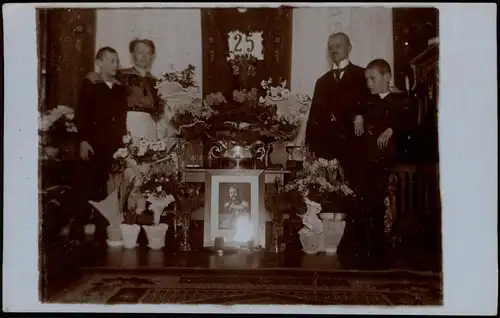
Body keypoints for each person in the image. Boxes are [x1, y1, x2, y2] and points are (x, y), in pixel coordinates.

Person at [355, 58, 418, 263]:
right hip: (368, 164)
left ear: (387, 77)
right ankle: (370, 249)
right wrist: (358, 116)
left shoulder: (401, 100)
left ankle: (387, 248)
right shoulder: (365, 102)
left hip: (391, 165)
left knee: (388, 207)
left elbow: (409, 120)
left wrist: (392, 129)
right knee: (367, 207)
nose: (369, 83)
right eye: (367, 79)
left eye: (373, 78)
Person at [72, 46, 128, 241]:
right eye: (111, 60)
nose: (115, 65)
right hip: (93, 143)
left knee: (107, 188)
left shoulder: (120, 88)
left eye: (117, 61)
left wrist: (122, 143)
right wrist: (84, 141)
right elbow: (82, 114)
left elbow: (121, 118)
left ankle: (103, 230)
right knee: (87, 184)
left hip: (112, 146)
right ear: (100, 63)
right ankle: (78, 230)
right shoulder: (91, 83)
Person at [304, 32, 370, 192]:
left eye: (338, 45)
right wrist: (309, 150)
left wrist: (362, 115)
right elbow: (313, 118)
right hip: (326, 151)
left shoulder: (363, 75)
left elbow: (373, 106)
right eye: (330, 47)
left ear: (349, 48)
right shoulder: (321, 81)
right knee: (326, 196)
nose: (334, 50)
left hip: (353, 149)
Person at [116, 38, 163, 140]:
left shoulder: (157, 82)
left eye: (148, 53)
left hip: (149, 124)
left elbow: (159, 108)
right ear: (132, 55)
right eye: (140, 52)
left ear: (152, 56)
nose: (144, 57)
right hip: (128, 122)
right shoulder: (121, 76)